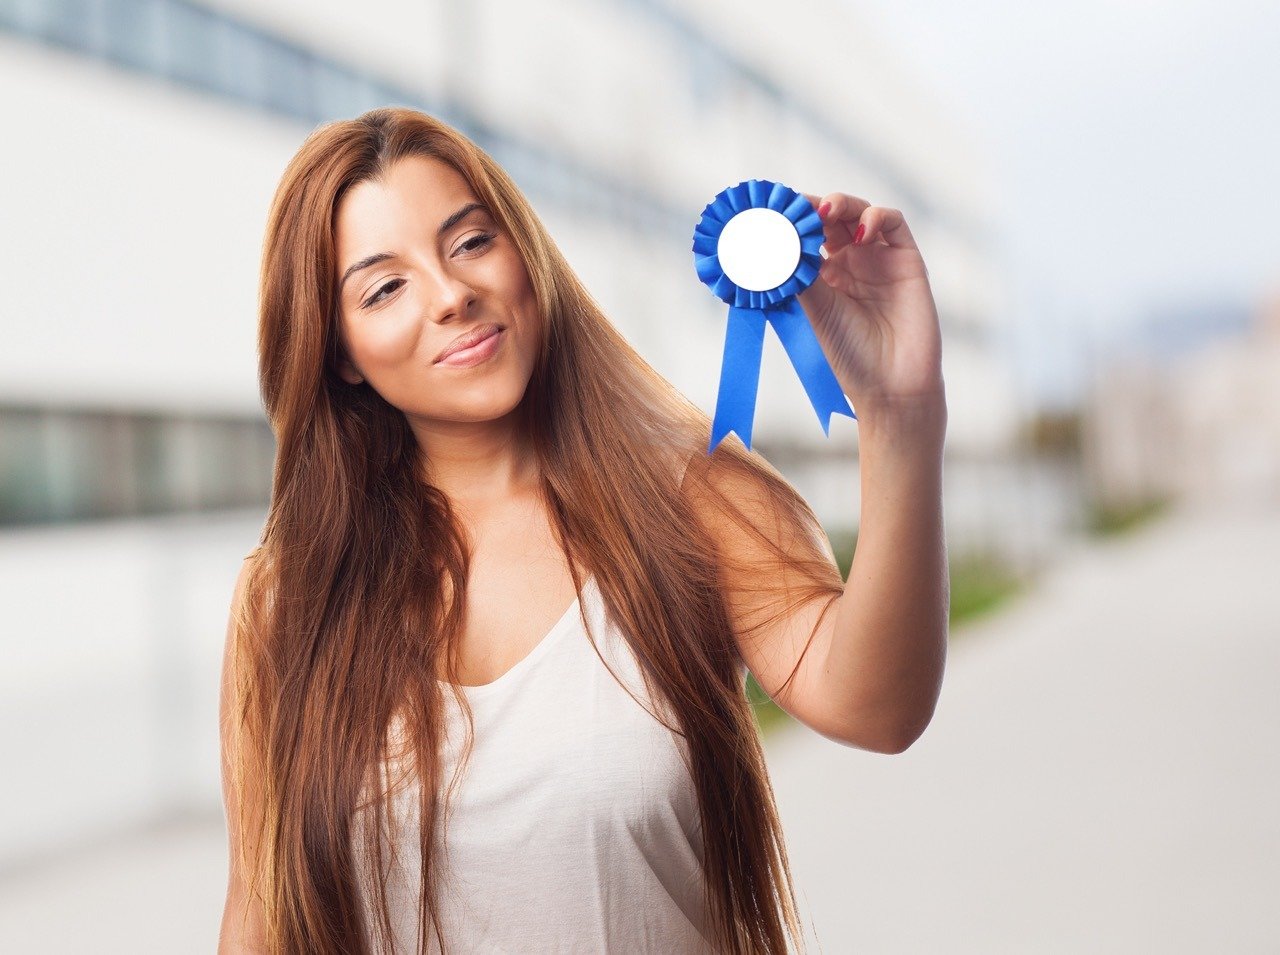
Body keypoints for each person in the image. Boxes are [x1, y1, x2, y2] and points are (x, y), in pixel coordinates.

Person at [218, 106, 948, 955]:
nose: (453, 294)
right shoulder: (287, 597)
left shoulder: (694, 504)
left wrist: (900, 417)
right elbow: (258, 915)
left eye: (470, 242)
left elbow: (880, 706)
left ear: (526, 252)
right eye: (385, 287)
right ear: (341, 349)